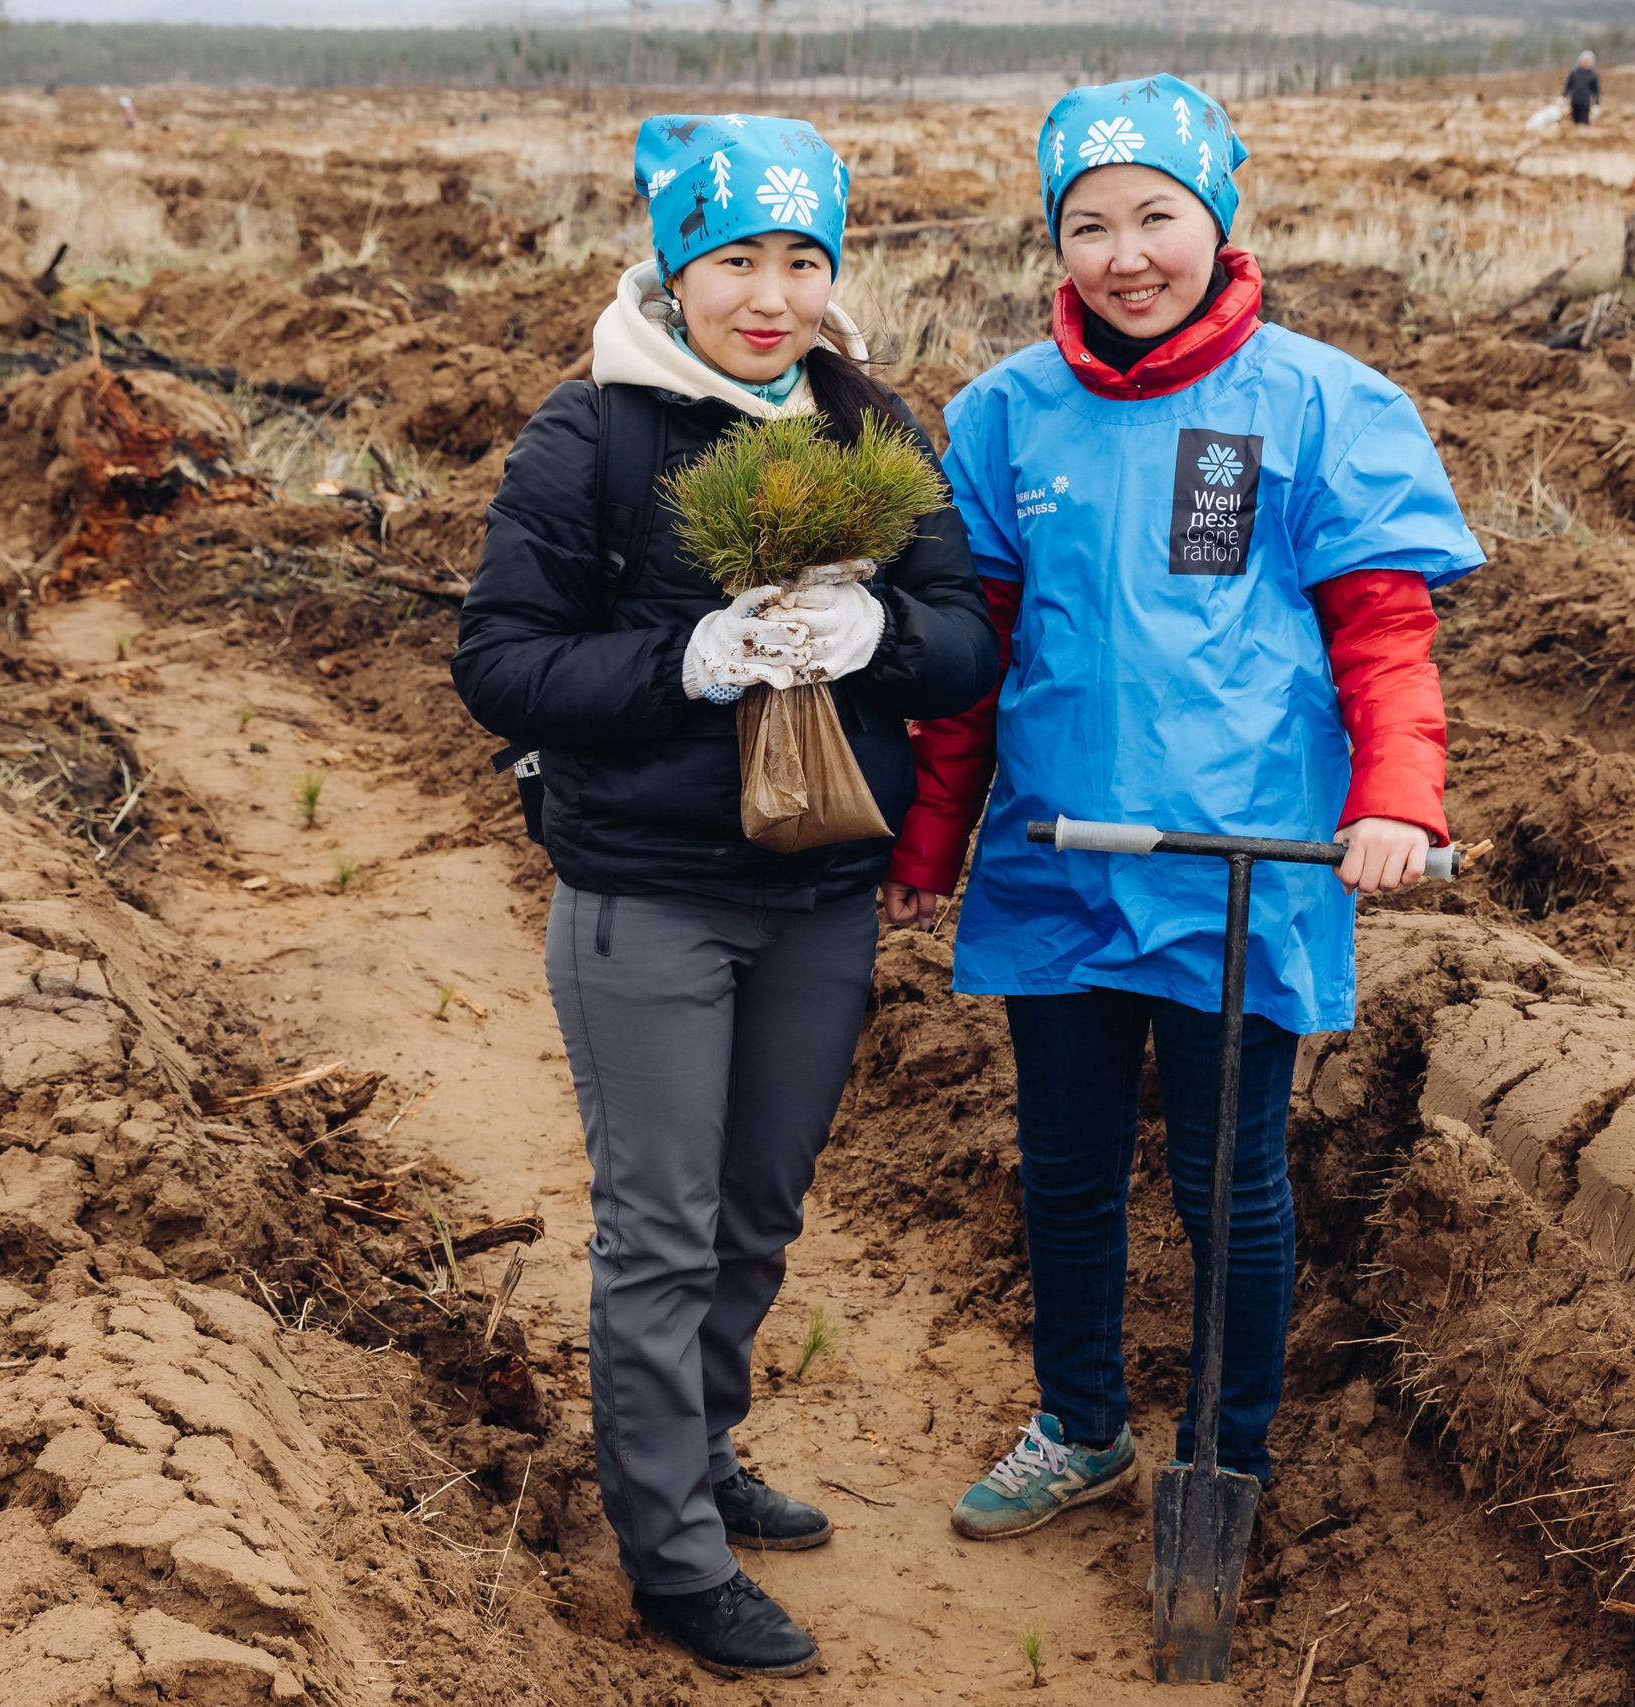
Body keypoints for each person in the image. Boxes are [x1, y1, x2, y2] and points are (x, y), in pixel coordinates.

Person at [881, 73, 1483, 1541]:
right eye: (1089, 225)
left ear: (1217, 220)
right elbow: (971, 668)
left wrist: (1396, 797)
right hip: (1060, 863)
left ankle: (1229, 1452)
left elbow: (1383, 638)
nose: (1126, 254)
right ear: (1055, 241)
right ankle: (1081, 1423)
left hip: (1241, 871)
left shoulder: (1317, 403)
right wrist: (925, 838)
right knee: (1067, 1164)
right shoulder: (1005, 419)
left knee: (1232, 1182)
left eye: (1158, 216)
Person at [451, 114, 995, 1678]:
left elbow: (966, 645)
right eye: (735, 260)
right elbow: (500, 665)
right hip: (649, 894)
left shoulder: (868, 427)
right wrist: (691, 661)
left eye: (803, 259)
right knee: (662, 1226)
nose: (771, 294)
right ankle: (673, 1553)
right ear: (675, 265)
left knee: (754, 1211)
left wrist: (872, 633)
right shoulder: (596, 432)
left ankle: (700, 1445)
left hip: (820, 890)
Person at [1564, 51, 1601, 125]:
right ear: (1581, 61)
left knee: (1584, 122)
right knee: (1574, 121)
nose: (1587, 63)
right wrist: (1563, 96)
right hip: (1575, 101)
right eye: (1585, 61)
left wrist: (1596, 103)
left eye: (1589, 61)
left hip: (1585, 102)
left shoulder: (1593, 75)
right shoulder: (1574, 73)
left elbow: (1596, 91)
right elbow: (1568, 86)